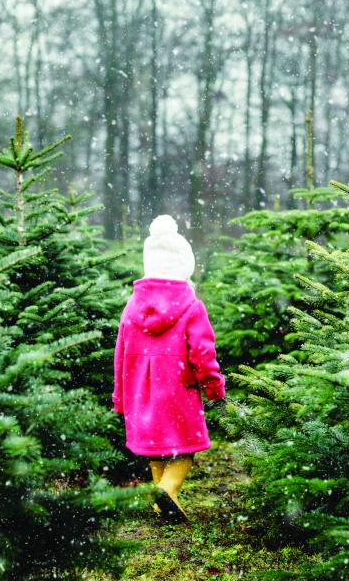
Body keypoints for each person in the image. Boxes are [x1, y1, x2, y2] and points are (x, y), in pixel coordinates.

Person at [112, 214, 226, 523]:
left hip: (139, 390)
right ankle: (167, 490)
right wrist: (214, 386)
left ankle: (161, 497)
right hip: (178, 389)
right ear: (183, 265)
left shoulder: (131, 306)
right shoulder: (191, 305)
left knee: (155, 448)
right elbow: (203, 353)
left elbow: (120, 355)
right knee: (185, 449)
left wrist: (120, 397)